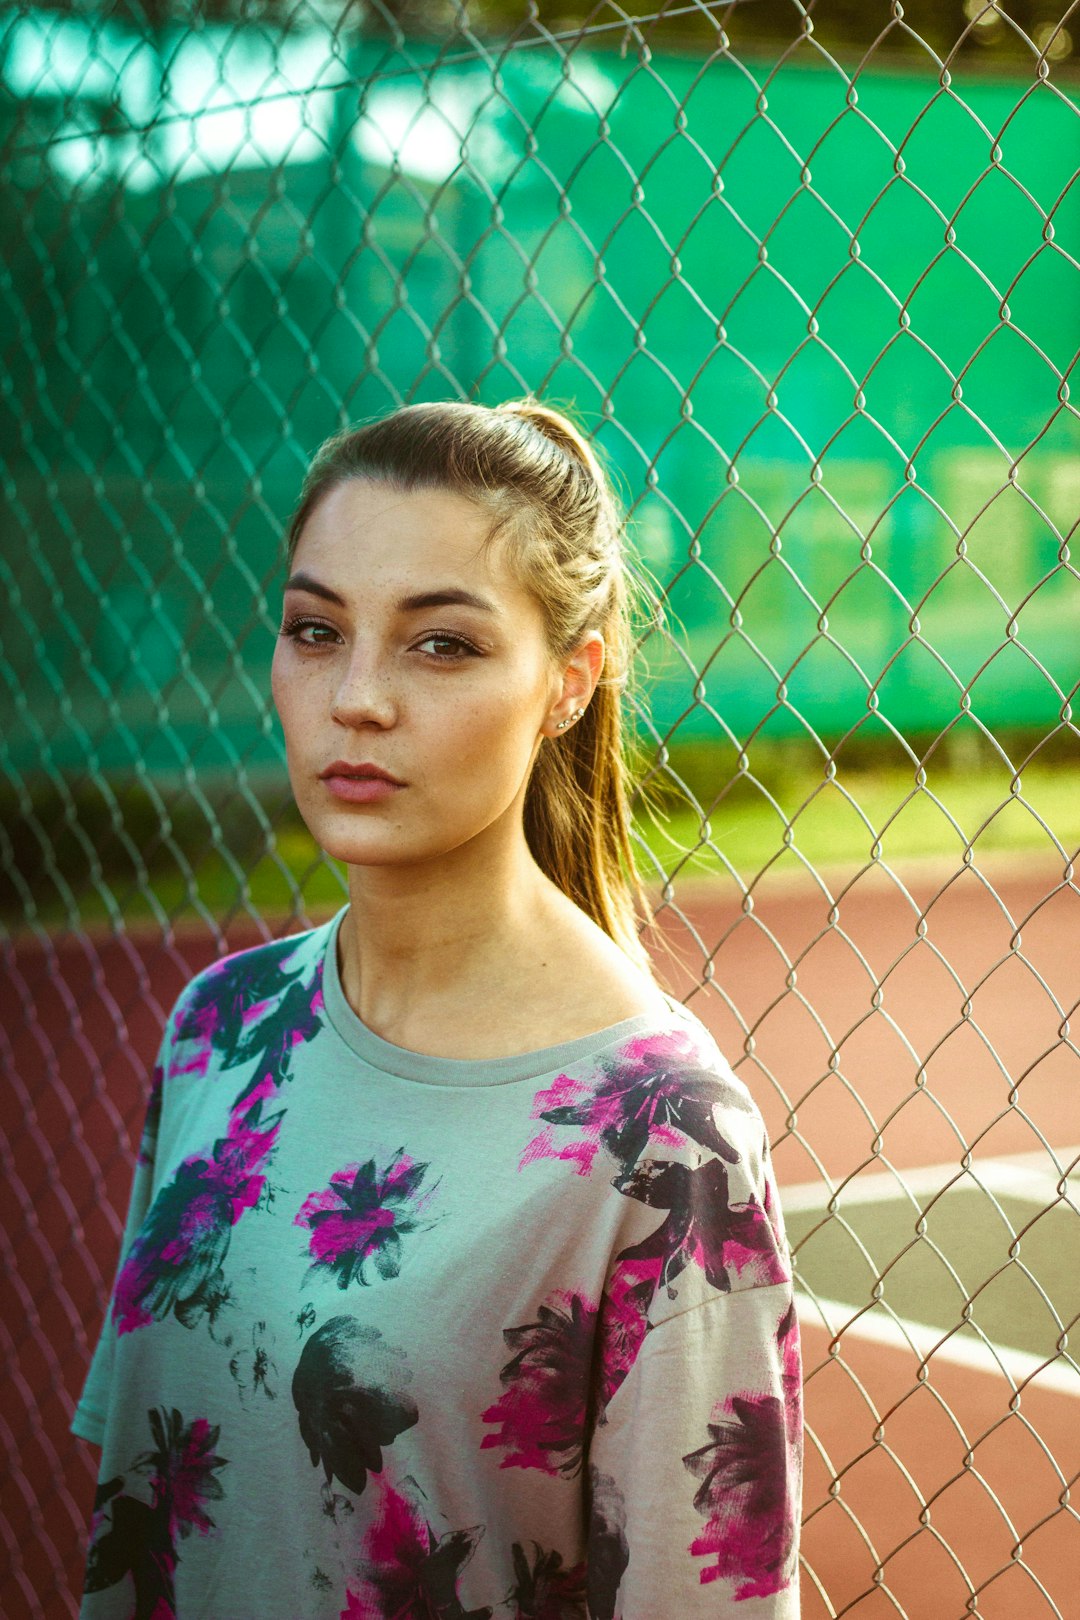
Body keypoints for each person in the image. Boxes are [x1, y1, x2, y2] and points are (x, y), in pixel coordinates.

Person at [73, 399, 802, 1619]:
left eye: (442, 645)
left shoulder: (666, 1140)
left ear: (571, 682)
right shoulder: (221, 1028)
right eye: (316, 630)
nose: (355, 698)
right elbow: (142, 1506)